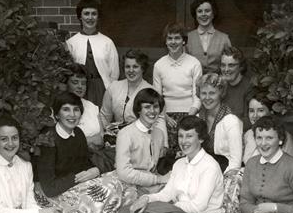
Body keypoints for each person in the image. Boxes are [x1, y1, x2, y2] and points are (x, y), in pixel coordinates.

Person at [33, 92, 124, 213]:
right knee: (107, 187)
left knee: (117, 178)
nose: (72, 114)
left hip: (71, 184)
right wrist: (79, 177)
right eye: (66, 109)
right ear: (56, 114)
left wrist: (95, 171)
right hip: (49, 194)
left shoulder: (78, 133)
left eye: (76, 110)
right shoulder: (48, 139)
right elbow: (49, 188)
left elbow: (84, 165)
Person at [153, 22, 202, 157]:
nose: (173, 42)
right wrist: (165, 116)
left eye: (177, 38)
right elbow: (157, 97)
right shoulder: (159, 65)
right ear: (166, 41)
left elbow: (197, 95)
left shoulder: (194, 63)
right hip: (165, 113)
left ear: (183, 41)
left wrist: (189, 115)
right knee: (160, 132)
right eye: (170, 38)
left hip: (190, 112)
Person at [100, 49, 166, 145]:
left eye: (135, 67)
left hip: (142, 141)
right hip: (114, 142)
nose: (131, 70)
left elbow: (159, 120)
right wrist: (102, 136)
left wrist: (163, 145)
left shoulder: (151, 91)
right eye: (127, 66)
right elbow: (104, 117)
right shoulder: (113, 87)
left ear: (142, 68)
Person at [115, 88, 170, 196]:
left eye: (156, 106)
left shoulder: (159, 133)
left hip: (148, 185)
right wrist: (158, 179)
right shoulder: (125, 134)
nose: (152, 111)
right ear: (138, 110)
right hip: (124, 185)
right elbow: (123, 172)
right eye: (147, 107)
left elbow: (152, 168)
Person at [66, 0, 119, 107]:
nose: (90, 17)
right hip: (80, 88)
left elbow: (114, 73)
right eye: (86, 14)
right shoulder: (71, 42)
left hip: (101, 89)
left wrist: (109, 89)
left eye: (94, 14)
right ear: (80, 17)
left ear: (98, 17)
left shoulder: (107, 42)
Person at [197, 73, 243, 173]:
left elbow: (236, 162)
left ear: (221, 93)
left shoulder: (231, 121)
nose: (207, 97)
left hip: (225, 170)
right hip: (202, 170)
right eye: (204, 93)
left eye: (212, 93)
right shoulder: (198, 117)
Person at [243, 89, 293, 164]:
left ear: (271, 112)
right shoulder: (248, 135)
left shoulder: (284, 136)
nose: (255, 116)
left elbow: (292, 168)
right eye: (251, 111)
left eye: (261, 110)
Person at [186, 0, 231, 74]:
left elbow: (230, 65)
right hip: (193, 84)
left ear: (213, 14)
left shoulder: (224, 38)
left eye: (207, 11)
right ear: (195, 15)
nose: (203, 14)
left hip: (217, 84)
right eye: (200, 11)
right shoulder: (188, 38)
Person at [66, 63, 103, 149]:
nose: (80, 86)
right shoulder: (60, 108)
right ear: (66, 84)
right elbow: (66, 144)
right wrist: (90, 141)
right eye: (75, 82)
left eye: (83, 83)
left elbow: (101, 138)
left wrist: (80, 142)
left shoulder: (92, 107)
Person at [220, 46, 252, 121]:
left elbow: (249, 120)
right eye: (223, 65)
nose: (226, 69)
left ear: (241, 66)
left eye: (231, 65)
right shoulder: (219, 84)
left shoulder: (249, 87)